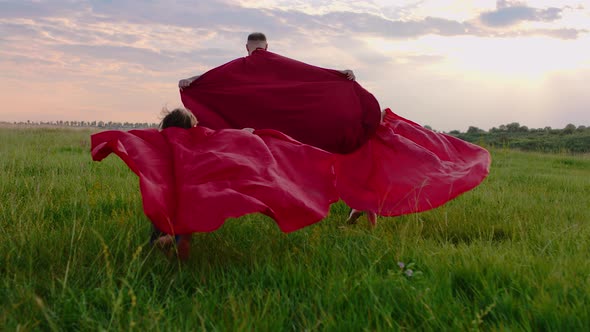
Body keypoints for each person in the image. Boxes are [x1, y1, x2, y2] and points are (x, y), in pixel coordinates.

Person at [178, 32, 356, 90]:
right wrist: (339, 74)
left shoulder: (239, 66)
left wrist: (190, 81)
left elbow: (210, 76)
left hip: (250, 128)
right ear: (267, 46)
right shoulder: (282, 64)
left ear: (246, 47)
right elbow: (311, 72)